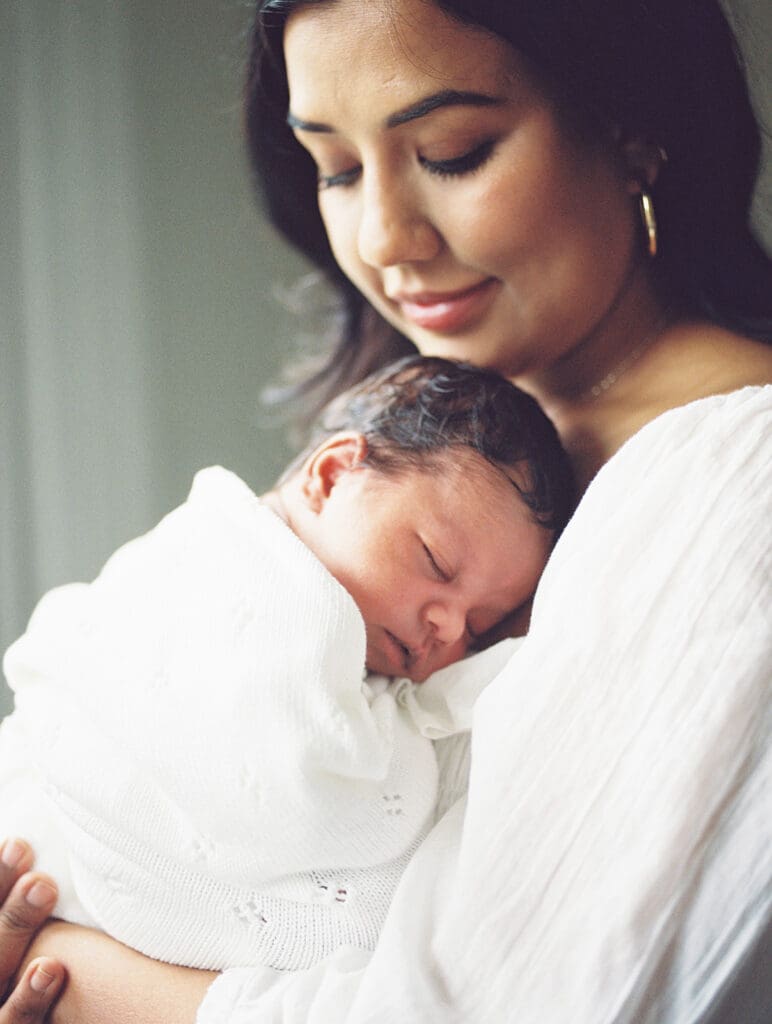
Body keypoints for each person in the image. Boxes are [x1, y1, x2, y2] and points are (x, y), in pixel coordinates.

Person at [1, 0, 770, 1021]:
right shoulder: (442, 448)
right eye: (336, 167)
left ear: (632, 130)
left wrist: (65, 969)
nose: (382, 238)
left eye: (452, 151)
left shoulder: (728, 486)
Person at [0, 355, 569, 974]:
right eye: (435, 562)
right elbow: (305, 790)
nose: (450, 628)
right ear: (331, 477)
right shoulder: (251, 571)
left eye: (481, 626)